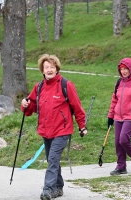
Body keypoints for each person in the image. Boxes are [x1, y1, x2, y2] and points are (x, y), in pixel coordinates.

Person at [21, 54, 87, 200]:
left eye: (52, 67)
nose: (49, 69)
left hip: (62, 130)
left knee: (52, 159)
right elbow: (30, 108)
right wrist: (25, 104)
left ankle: (48, 189)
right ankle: (58, 187)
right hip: (46, 130)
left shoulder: (66, 85)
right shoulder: (39, 87)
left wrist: (82, 126)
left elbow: (77, 107)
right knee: (53, 159)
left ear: (57, 68)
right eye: (46, 67)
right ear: (42, 70)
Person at [107, 57, 131, 175]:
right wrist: (110, 116)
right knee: (117, 143)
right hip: (118, 117)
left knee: (124, 139)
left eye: (126, 69)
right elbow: (114, 100)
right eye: (121, 69)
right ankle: (121, 167)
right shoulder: (119, 82)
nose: (124, 71)